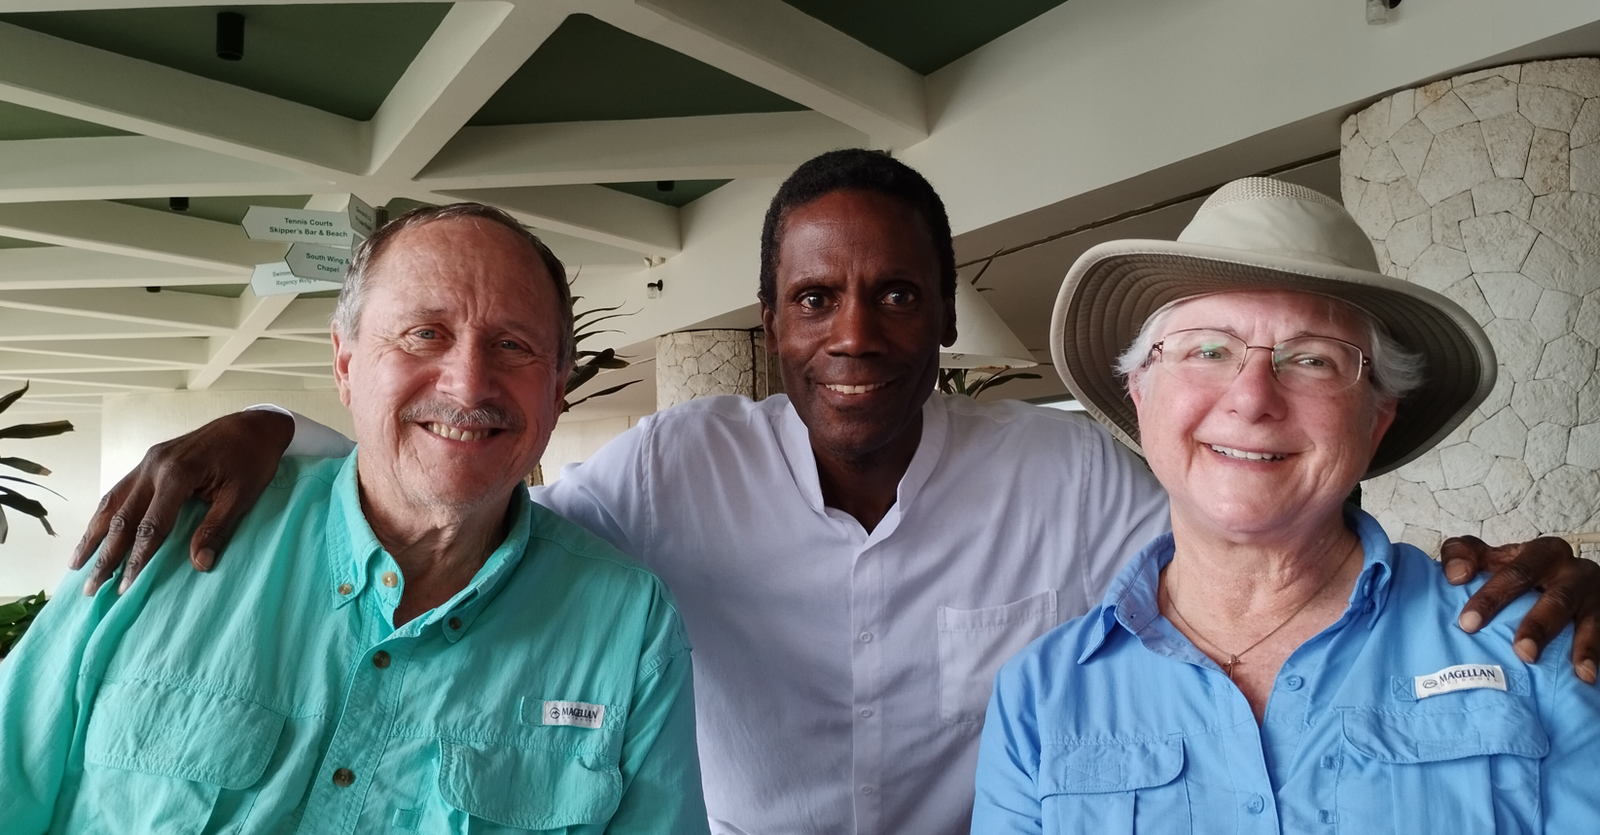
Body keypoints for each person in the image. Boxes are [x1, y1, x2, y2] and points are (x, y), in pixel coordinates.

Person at [69, 153, 1599, 835]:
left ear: (941, 315)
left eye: (891, 296)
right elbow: (471, 487)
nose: (852, 332)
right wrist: (282, 433)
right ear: (771, 318)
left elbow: (1259, 518)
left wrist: (1495, 568)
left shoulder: (1065, 479)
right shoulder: (675, 468)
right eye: (814, 299)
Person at [0, 204, 707, 834]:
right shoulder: (169, 532)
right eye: (424, 333)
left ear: (557, 389)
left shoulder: (628, 622)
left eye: (513, 345)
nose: (467, 383)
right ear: (344, 363)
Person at [973, 178, 1600, 833]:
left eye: (1312, 360)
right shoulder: (1040, 697)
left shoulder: (1530, 645)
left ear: (1378, 415)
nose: (1251, 398)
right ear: (1140, 393)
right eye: (1208, 349)